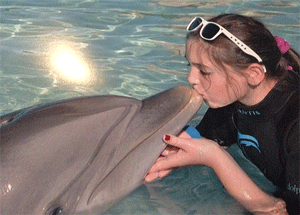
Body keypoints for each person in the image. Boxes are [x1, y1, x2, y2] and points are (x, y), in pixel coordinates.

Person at [145, 14, 299, 215]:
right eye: (189, 65)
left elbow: (281, 212)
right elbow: (204, 135)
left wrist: (214, 157)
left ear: (253, 74)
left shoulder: (295, 125)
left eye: (204, 71)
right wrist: (169, 149)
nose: (191, 78)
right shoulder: (235, 102)